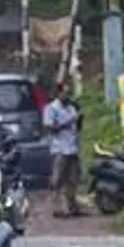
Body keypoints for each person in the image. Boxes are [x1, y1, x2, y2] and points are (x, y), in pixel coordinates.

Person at [42, 82, 83, 218]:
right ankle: (57, 208)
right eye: (65, 93)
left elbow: (77, 125)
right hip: (59, 148)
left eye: (68, 93)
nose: (67, 95)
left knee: (73, 178)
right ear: (58, 93)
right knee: (57, 179)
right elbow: (49, 127)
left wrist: (78, 121)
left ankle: (72, 206)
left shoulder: (71, 107)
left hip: (72, 147)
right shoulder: (51, 108)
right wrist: (68, 122)